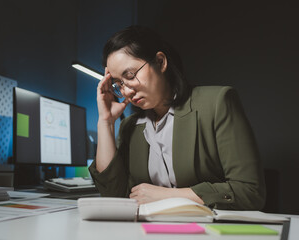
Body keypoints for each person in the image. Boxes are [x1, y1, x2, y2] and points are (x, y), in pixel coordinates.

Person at [88, 25, 266, 210]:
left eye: (131, 75)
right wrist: (106, 121)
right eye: (119, 84)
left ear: (160, 62)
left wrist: (169, 196)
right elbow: (114, 196)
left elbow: (250, 192)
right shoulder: (130, 126)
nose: (127, 91)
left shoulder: (216, 103)